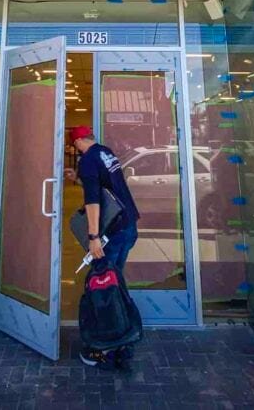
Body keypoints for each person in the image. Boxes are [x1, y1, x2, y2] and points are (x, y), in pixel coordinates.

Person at [64, 125, 140, 367]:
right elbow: (106, 184)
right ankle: (123, 342)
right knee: (114, 284)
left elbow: (94, 201)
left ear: (76, 143)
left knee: (104, 289)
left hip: (112, 233)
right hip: (127, 225)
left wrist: (94, 236)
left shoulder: (87, 161)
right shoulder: (105, 152)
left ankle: (106, 346)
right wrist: (77, 179)